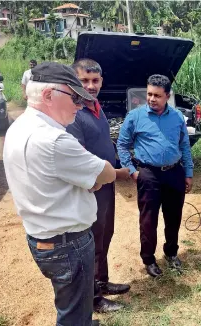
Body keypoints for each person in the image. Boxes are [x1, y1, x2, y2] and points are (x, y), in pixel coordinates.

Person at [3, 61, 117, 326]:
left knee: (70, 304)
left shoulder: (20, 127)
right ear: (47, 95)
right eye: (75, 96)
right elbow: (108, 173)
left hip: (44, 237)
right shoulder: (54, 140)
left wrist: (89, 180)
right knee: (73, 316)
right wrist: (92, 181)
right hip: (68, 244)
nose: (80, 104)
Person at [66, 58, 131, 313]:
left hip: (106, 186)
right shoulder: (74, 114)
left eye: (95, 80)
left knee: (106, 235)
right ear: (74, 81)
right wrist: (119, 173)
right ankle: (93, 299)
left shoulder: (96, 107)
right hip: (90, 189)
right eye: (84, 80)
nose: (91, 86)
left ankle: (101, 282)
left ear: (102, 81)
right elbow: (80, 161)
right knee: (91, 242)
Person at [117, 74, 194, 278]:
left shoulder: (177, 117)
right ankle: (149, 259)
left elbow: (184, 146)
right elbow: (122, 145)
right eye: (149, 94)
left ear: (167, 96)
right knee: (148, 220)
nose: (151, 99)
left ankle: (171, 253)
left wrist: (188, 173)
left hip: (174, 173)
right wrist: (133, 171)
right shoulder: (135, 116)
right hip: (148, 174)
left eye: (157, 95)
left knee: (173, 217)